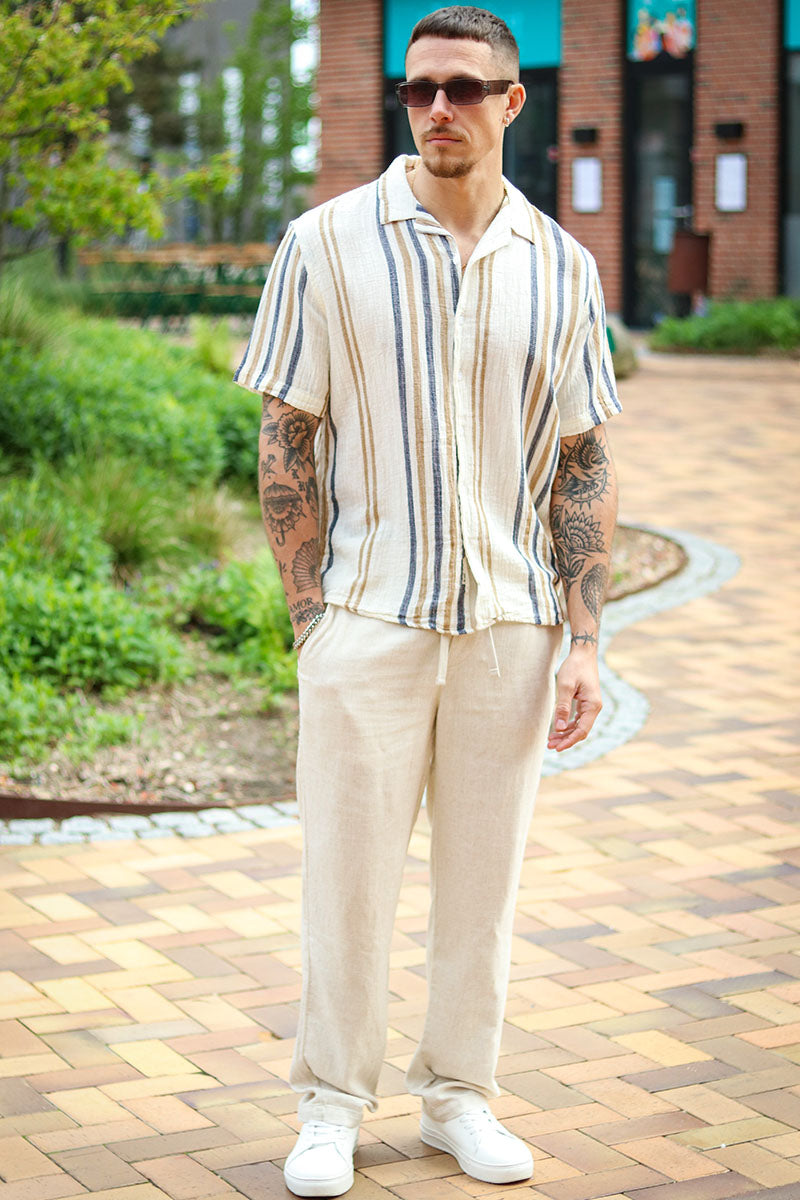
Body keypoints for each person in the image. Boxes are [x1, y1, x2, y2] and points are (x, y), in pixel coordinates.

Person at [233, 7, 620, 1196]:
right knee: (345, 883)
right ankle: (329, 1106)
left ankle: (458, 1097)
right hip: (368, 620)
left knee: (481, 887)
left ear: (513, 101)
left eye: (462, 88)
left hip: (509, 627)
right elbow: (285, 438)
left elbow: (581, 461)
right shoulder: (324, 243)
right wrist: (311, 618)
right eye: (417, 91)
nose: (436, 109)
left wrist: (583, 638)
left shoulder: (560, 264)